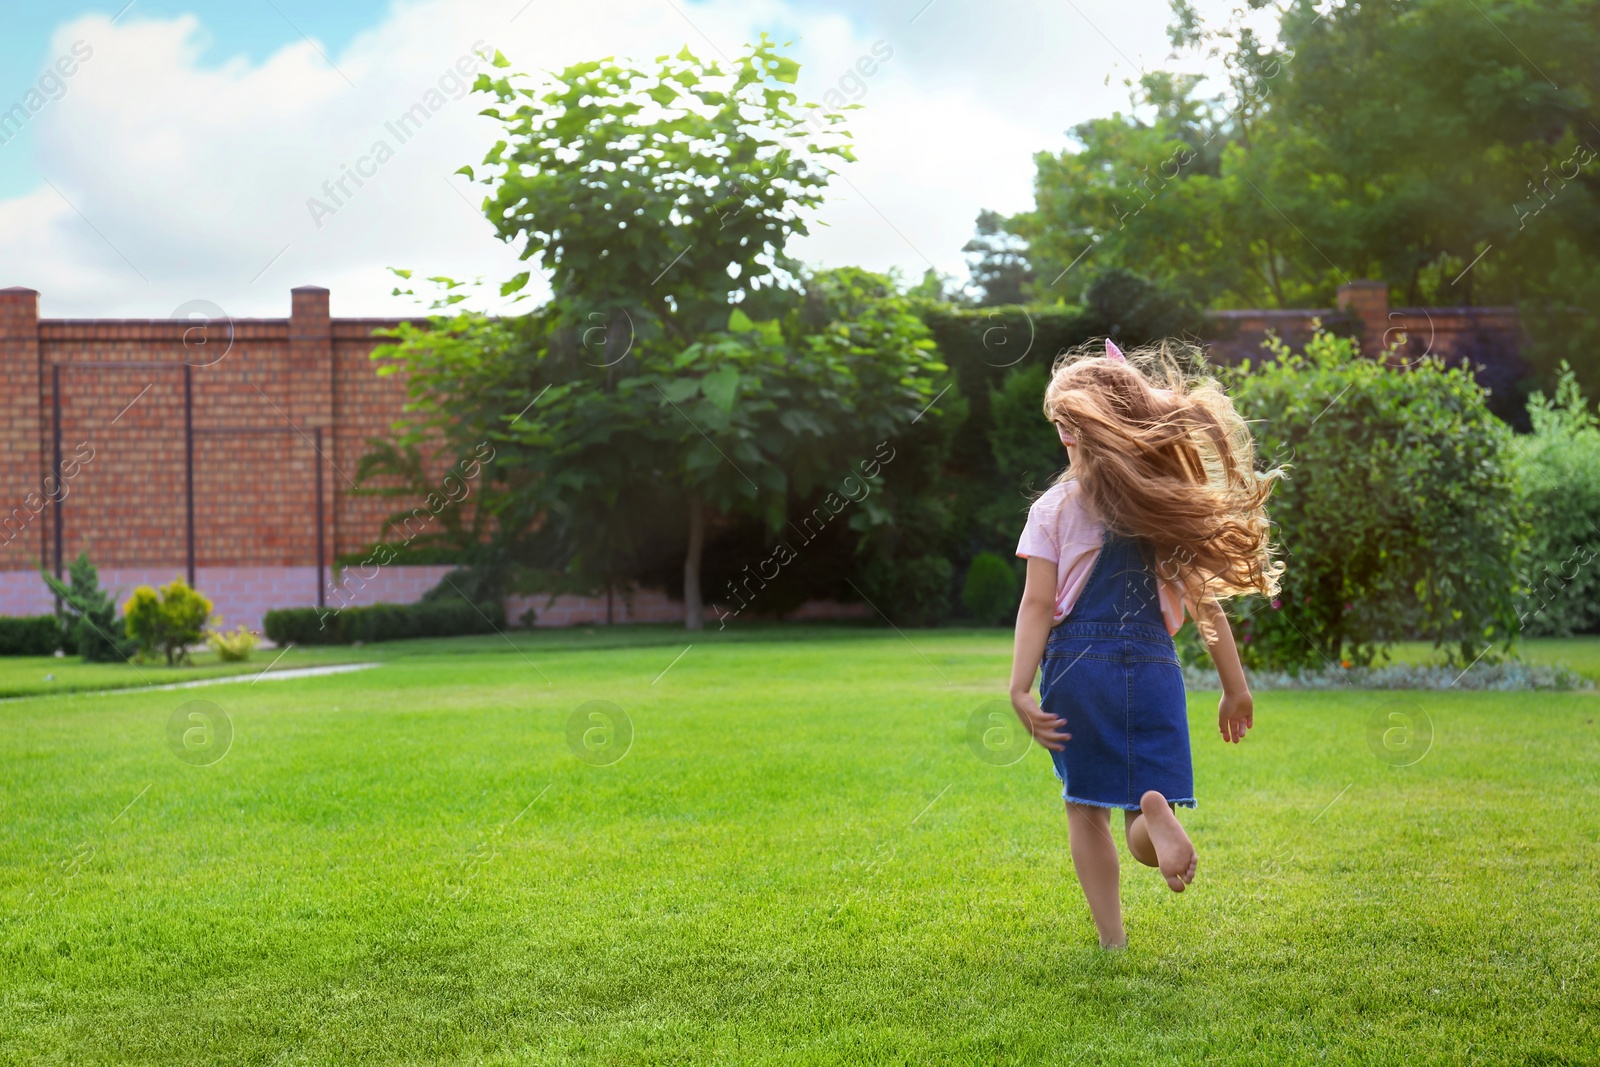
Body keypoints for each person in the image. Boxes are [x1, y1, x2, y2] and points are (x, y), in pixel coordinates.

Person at [1008, 339, 1283, 949]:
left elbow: (1035, 604)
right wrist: (1235, 690)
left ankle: (1113, 940)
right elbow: (1207, 605)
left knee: (1085, 808)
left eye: (1063, 426)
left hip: (1078, 672)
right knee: (1137, 811)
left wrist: (1019, 687)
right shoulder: (1160, 508)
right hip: (1154, 668)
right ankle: (1154, 815)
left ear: (1080, 430)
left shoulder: (1052, 509)